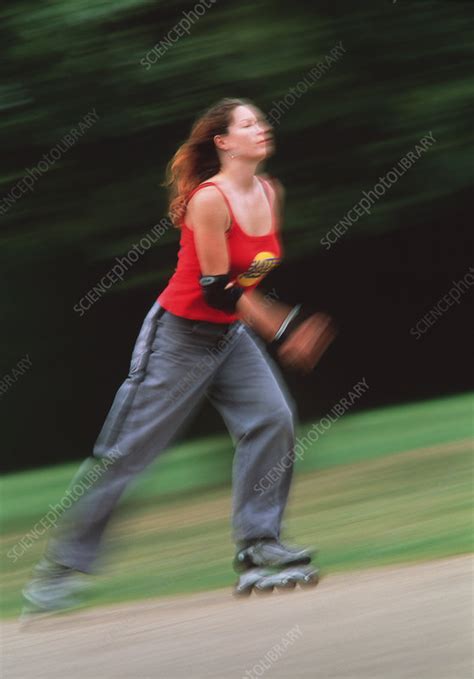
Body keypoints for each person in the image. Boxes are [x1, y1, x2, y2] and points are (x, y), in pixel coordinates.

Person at [23, 97, 334, 612]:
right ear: (223, 141)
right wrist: (283, 328)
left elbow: (247, 277)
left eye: (262, 120)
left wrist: (269, 323)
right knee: (126, 453)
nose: (262, 128)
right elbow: (216, 289)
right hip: (177, 337)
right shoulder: (208, 200)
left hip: (229, 337)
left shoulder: (270, 192)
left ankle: (258, 544)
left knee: (272, 419)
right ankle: (58, 570)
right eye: (248, 123)